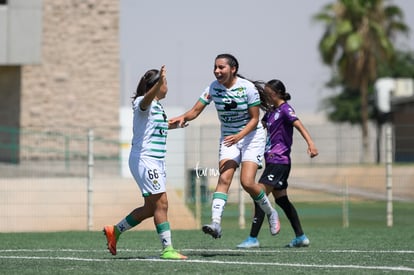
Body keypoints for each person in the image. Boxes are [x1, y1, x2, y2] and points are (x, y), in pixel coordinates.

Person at [169, 53, 280, 239]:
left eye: (221, 67)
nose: (217, 71)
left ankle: (271, 212)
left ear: (233, 69)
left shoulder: (248, 88)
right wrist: (182, 118)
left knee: (247, 182)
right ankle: (216, 224)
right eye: (215, 67)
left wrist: (239, 136)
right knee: (224, 178)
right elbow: (195, 111)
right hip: (229, 138)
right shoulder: (213, 88)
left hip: (251, 136)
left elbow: (254, 119)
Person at [103, 65, 187, 260]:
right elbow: (145, 102)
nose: (167, 86)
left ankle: (114, 231)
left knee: (151, 208)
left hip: (155, 161)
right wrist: (158, 83)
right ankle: (168, 249)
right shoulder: (143, 101)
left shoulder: (158, 106)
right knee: (162, 203)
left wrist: (174, 125)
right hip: (145, 159)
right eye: (164, 83)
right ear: (156, 86)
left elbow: (155, 128)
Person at [237, 79, 318, 249]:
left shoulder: (286, 110)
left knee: (259, 196)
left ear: (277, 93)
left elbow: (299, 125)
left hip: (279, 161)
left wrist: (311, 143)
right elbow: (259, 127)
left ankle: (253, 238)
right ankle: (301, 237)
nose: (266, 95)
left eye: (268, 92)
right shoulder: (271, 112)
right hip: (272, 161)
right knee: (282, 201)